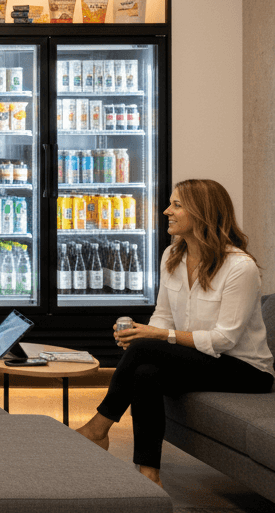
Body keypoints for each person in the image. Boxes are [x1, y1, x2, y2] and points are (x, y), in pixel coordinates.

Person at [75, 179, 274, 487]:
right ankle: (148, 474)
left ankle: (98, 427)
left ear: (202, 212)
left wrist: (154, 337)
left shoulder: (239, 266)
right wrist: (142, 333)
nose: (167, 210)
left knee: (144, 351)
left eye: (177, 205)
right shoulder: (172, 256)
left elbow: (224, 340)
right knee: (145, 372)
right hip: (198, 358)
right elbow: (164, 316)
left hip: (244, 369)